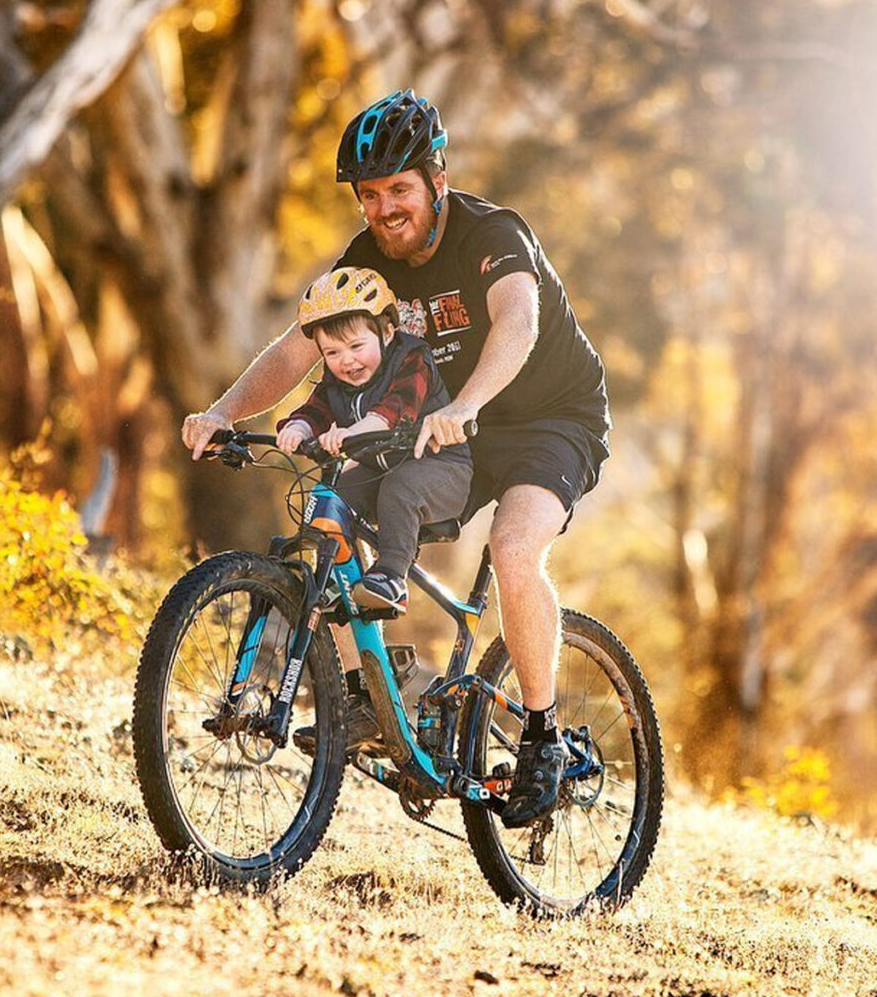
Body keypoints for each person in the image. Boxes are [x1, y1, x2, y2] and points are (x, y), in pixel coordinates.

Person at [182, 89, 610, 829]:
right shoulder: (366, 261)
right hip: (442, 429)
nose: (385, 210)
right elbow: (297, 349)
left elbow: (518, 318)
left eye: (400, 190)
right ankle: (376, 692)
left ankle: (542, 738)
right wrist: (223, 413)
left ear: (437, 182)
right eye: (370, 196)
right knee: (342, 509)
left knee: (513, 549)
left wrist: (466, 404)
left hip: (546, 420)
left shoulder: (492, 234)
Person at [276, 265, 471, 616]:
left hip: (442, 469)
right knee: (332, 499)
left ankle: (392, 577)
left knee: (401, 486)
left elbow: (393, 411)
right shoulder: (336, 379)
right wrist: (298, 428)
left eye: (355, 346)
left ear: (387, 331)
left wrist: (350, 433)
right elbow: (316, 408)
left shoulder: (412, 358)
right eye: (331, 352)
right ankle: (336, 580)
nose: (345, 360)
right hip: (380, 471)